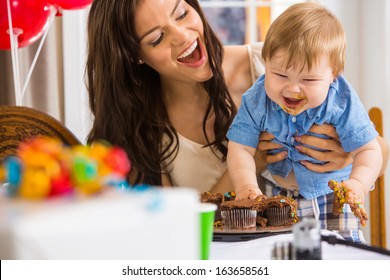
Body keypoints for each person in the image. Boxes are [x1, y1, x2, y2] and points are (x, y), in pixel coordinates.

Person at [85, 1, 388, 202]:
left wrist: (346, 157)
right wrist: (246, 167)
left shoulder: (276, 65)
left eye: (182, 13)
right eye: (156, 38)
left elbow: (376, 149)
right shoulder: (142, 128)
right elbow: (173, 231)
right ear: (134, 56)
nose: (182, 36)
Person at [227, 2, 384, 241]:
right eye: (279, 75)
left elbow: (370, 150)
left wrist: (358, 184)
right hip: (277, 197)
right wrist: (246, 187)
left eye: (309, 79)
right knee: (276, 253)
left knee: (344, 253)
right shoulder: (257, 99)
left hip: (332, 197)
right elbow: (239, 148)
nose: (292, 88)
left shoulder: (341, 100)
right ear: (266, 62)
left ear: (333, 75)